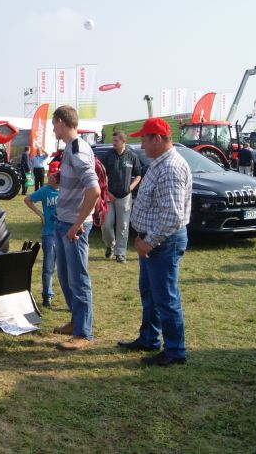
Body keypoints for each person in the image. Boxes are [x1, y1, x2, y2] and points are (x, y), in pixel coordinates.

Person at [119, 117, 191, 366]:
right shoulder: (159, 164)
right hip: (152, 240)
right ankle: (149, 338)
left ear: (158, 139)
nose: (141, 145)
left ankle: (174, 351)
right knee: (150, 293)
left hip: (162, 242)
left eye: (145, 139)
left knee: (166, 298)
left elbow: (171, 216)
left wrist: (149, 242)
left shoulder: (170, 167)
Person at [50, 105, 100, 351]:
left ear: (61, 122)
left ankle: (83, 333)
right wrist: (59, 181)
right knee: (65, 276)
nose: (52, 128)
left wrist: (78, 224)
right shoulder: (71, 149)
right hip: (65, 222)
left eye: (53, 123)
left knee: (78, 279)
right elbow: (79, 183)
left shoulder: (78, 150)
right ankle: (75, 321)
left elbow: (94, 190)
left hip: (73, 226)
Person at [100, 131, 142, 263]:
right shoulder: (108, 156)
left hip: (125, 197)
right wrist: (106, 191)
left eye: (116, 141)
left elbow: (138, 174)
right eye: (113, 141)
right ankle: (109, 245)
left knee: (123, 225)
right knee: (106, 225)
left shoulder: (132, 156)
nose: (113, 143)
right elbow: (101, 175)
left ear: (123, 141)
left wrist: (130, 187)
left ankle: (120, 253)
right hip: (109, 196)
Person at [24, 160, 61, 308]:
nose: (49, 176)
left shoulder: (66, 191)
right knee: (48, 266)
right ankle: (47, 296)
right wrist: (41, 214)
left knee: (64, 267)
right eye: (50, 173)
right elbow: (27, 200)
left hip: (64, 233)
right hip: (50, 233)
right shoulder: (45, 190)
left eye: (53, 175)